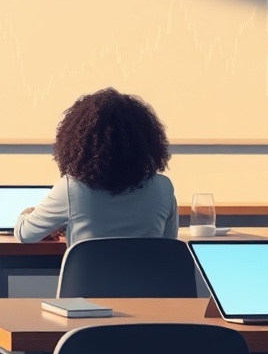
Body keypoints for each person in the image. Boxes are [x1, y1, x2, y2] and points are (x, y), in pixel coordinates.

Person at [15, 87, 177, 245]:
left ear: (79, 142)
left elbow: (25, 234)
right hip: (145, 265)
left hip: (87, 266)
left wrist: (29, 212)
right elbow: (169, 243)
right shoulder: (163, 187)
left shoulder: (71, 189)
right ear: (147, 141)